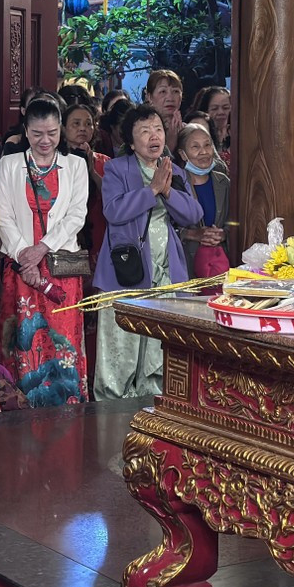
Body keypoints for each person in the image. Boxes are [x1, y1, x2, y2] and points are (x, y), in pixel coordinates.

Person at [91, 105, 201, 400]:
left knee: (157, 345)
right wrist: (151, 190)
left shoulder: (173, 170)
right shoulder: (117, 168)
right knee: (122, 345)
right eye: (144, 131)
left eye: (158, 130)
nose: (154, 137)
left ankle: (151, 406)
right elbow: (113, 211)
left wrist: (167, 191)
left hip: (166, 267)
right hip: (127, 268)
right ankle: (111, 409)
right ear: (130, 141)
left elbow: (193, 215)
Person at [0, 97, 90, 407]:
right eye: (37, 134)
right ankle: (19, 407)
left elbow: (77, 215)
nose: (45, 140)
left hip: (60, 269)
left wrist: (41, 249)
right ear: (26, 131)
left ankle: (67, 407)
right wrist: (26, 255)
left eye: (51, 132)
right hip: (22, 270)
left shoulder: (75, 165)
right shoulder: (10, 164)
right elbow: (3, 216)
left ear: (60, 129)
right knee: (21, 341)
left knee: (64, 342)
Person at [174, 122, 231, 280]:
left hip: (219, 264)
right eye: (195, 147)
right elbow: (165, 226)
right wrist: (192, 234)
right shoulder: (175, 184)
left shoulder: (224, 182)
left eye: (207, 145)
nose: (204, 152)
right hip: (185, 264)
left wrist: (224, 234)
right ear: (183, 154)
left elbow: (234, 221)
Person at [62, 100, 109, 255]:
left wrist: (92, 173)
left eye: (88, 124)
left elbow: (112, 198)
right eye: (76, 123)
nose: (83, 128)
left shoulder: (105, 162)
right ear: (63, 128)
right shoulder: (54, 161)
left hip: (100, 232)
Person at [189, 86, 232, 162]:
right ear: (205, 111)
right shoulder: (196, 132)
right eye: (215, 108)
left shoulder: (238, 135)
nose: (221, 112)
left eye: (225, 108)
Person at [145, 69, 185, 142]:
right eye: (163, 91)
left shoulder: (190, 131)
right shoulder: (142, 132)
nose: (170, 98)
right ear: (149, 97)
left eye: (176, 91)